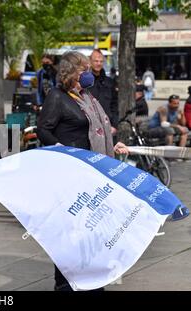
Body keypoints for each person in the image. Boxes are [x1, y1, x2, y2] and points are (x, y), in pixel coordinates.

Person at [36, 51, 129, 291]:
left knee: (91, 229)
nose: (89, 73)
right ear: (71, 72)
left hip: (92, 173)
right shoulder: (57, 97)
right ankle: (65, 282)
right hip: (70, 174)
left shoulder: (87, 96)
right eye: (84, 69)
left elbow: (99, 129)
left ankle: (90, 277)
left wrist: (111, 144)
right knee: (70, 231)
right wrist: (58, 148)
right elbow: (43, 129)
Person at [89, 49, 119, 135]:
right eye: (96, 61)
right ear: (90, 61)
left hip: (108, 126)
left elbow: (115, 105)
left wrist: (115, 125)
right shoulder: (85, 82)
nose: (98, 63)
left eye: (101, 61)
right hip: (90, 126)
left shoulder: (110, 82)